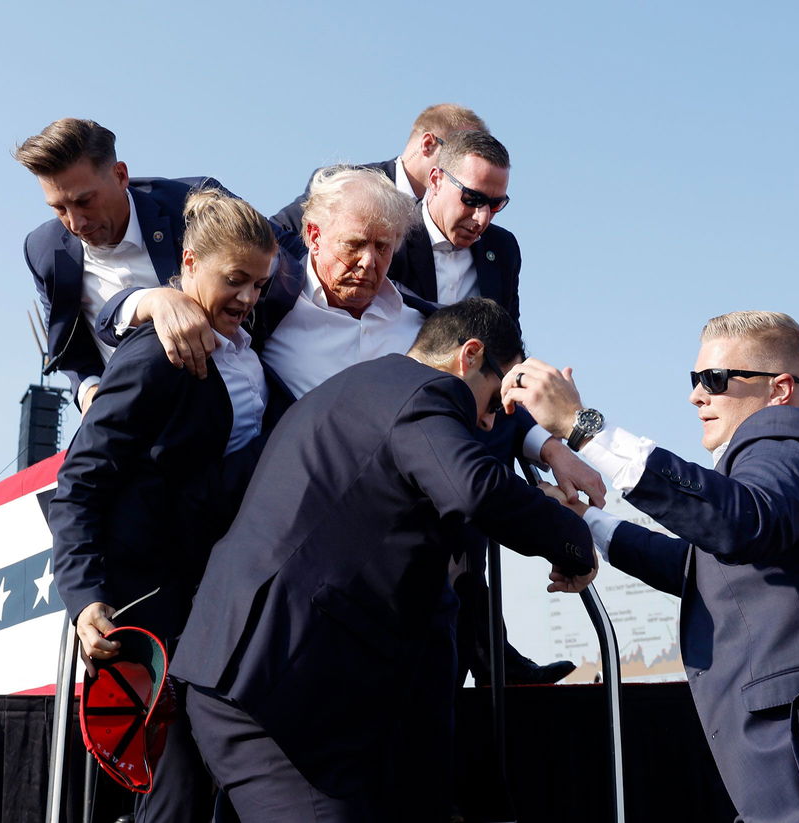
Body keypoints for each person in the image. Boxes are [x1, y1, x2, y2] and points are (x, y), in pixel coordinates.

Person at [109, 164, 592, 684]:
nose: (369, 263)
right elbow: (158, 309)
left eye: (384, 248)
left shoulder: (423, 325)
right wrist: (152, 298)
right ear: (313, 235)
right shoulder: (263, 302)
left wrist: (548, 446)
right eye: (355, 245)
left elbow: (480, 390)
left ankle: (488, 653)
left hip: (396, 540)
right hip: (286, 536)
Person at [503, 312, 799, 822]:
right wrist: (591, 524)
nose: (697, 396)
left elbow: (743, 523)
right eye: (694, 380)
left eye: (714, 380)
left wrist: (585, 429)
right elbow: (704, 568)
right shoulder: (766, 473)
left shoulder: (788, 436)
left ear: (780, 388)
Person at [170, 298, 597, 822]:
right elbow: (475, 490)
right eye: (497, 397)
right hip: (278, 686)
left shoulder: (362, 390)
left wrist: (535, 501)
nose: (490, 424)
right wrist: (572, 541)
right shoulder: (425, 395)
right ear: (470, 356)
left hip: (265, 676)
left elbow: (429, 497)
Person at [49, 189, 283, 823]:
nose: (248, 299)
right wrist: (85, 595)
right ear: (187, 262)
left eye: (259, 285)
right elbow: (80, 481)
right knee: (175, 789)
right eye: (235, 280)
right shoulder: (157, 354)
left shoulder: (245, 349)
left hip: (211, 598)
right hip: (151, 604)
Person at [15, 117, 300, 411]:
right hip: (136, 423)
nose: (76, 223)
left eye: (85, 201)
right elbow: (70, 349)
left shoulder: (192, 203)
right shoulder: (44, 250)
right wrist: (90, 392)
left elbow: (277, 247)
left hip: (234, 403)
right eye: (59, 208)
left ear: (120, 175)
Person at [271, 102, 487, 233]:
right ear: (428, 144)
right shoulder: (344, 183)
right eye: (458, 154)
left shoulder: (462, 225)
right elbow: (277, 236)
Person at [385, 130, 520, 324]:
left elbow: (509, 337)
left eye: (495, 205)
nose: (482, 218)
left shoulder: (503, 249)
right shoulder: (391, 233)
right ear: (436, 180)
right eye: (472, 199)